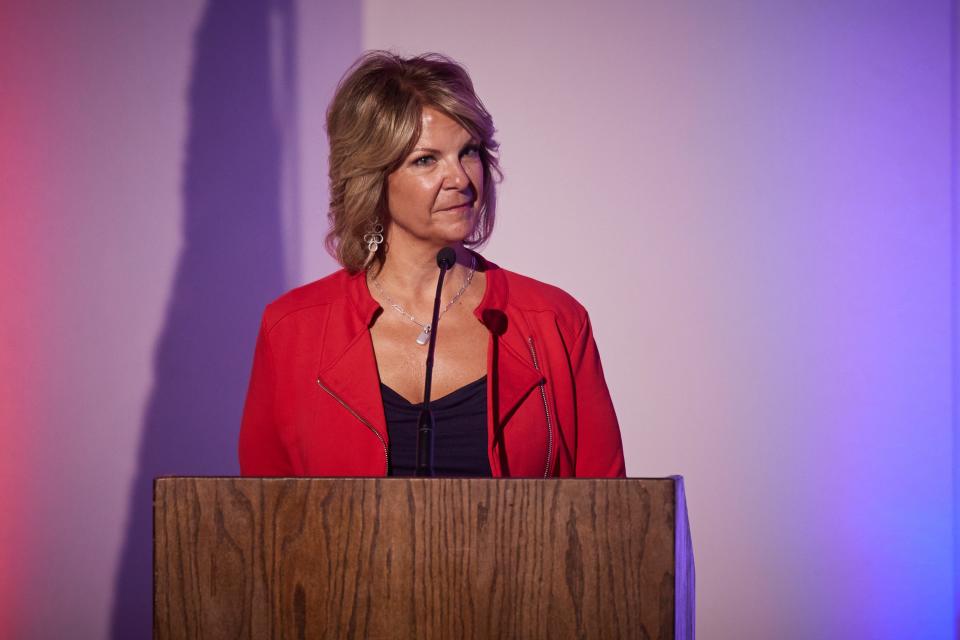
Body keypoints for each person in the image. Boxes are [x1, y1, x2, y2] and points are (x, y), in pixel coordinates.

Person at [239, 51, 625, 478]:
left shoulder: (555, 322)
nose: (460, 178)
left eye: (470, 152)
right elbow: (265, 525)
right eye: (426, 160)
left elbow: (605, 520)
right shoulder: (293, 328)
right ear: (371, 178)